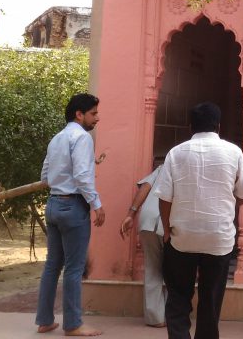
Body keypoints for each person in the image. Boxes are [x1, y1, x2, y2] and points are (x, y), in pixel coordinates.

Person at [153, 102, 243, 339]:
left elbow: (164, 197)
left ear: (191, 126)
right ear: (218, 126)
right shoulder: (233, 152)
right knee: (210, 299)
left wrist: (167, 230)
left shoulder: (176, 153)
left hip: (182, 237)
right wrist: (228, 205)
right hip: (218, 238)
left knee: (178, 296)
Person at [36, 93, 105, 337]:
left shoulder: (57, 138)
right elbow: (83, 175)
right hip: (73, 206)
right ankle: (73, 324)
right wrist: (96, 204)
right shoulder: (82, 138)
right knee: (74, 268)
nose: (97, 118)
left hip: (53, 203)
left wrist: (59, 183)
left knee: (52, 265)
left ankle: (45, 320)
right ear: (79, 114)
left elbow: (45, 175)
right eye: (93, 113)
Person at [119, 165, 168, 328]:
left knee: (153, 268)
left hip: (147, 221)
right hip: (169, 222)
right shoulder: (186, 167)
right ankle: (171, 314)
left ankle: (156, 318)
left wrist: (130, 215)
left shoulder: (161, 168)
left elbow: (145, 188)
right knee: (175, 270)